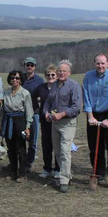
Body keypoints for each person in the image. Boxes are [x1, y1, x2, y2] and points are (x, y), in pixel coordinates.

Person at [82, 54, 108, 191]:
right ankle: (99, 173)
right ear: (95, 64)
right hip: (93, 115)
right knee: (95, 148)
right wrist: (90, 116)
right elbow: (86, 96)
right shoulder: (88, 76)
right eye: (98, 63)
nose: (100, 66)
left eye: (103, 63)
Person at [43, 60, 82, 193]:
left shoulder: (74, 86)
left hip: (68, 123)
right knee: (58, 151)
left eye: (64, 71)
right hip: (55, 123)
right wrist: (47, 113)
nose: (61, 73)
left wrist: (62, 114)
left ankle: (64, 180)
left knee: (65, 150)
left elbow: (76, 107)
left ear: (69, 73)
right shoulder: (54, 86)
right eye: (59, 71)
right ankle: (67, 173)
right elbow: (47, 102)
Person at [1, 70, 33, 182]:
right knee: (11, 148)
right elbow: (3, 110)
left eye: (17, 78)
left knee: (20, 148)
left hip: (20, 121)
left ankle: (22, 173)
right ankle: (13, 172)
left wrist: (28, 127)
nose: (15, 80)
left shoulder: (25, 93)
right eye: (12, 78)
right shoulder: (5, 93)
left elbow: (29, 111)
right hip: (8, 121)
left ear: (20, 80)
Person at [35, 64, 60, 179]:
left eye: (53, 74)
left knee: (58, 145)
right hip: (45, 120)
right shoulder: (41, 87)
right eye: (48, 75)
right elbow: (34, 99)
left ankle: (58, 169)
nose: (50, 76)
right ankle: (47, 168)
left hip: (58, 120)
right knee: (46, 145)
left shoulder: (60, 86)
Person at [22, 57, 44, 173]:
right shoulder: (20, 77)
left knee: (33, 141)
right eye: (27, 64)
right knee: (20, 139)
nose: (29, 67)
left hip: (34, 113)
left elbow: (43, 95)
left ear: (35, 67)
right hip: (21, 114)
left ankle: (29, 163)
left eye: (32, 65)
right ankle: (20, 161)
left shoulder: (39, 80)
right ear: (24, 66)